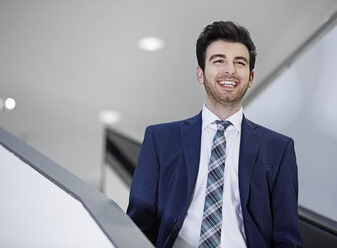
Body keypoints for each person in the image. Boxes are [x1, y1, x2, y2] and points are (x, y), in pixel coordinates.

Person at [127, 21, 302, 248]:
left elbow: (287, 238)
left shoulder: (279, 149)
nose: (230, 70)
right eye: (219, 60)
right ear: (200, 74)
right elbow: (137, 227)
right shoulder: (159, 140)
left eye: (240, 63)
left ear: (250, 78)